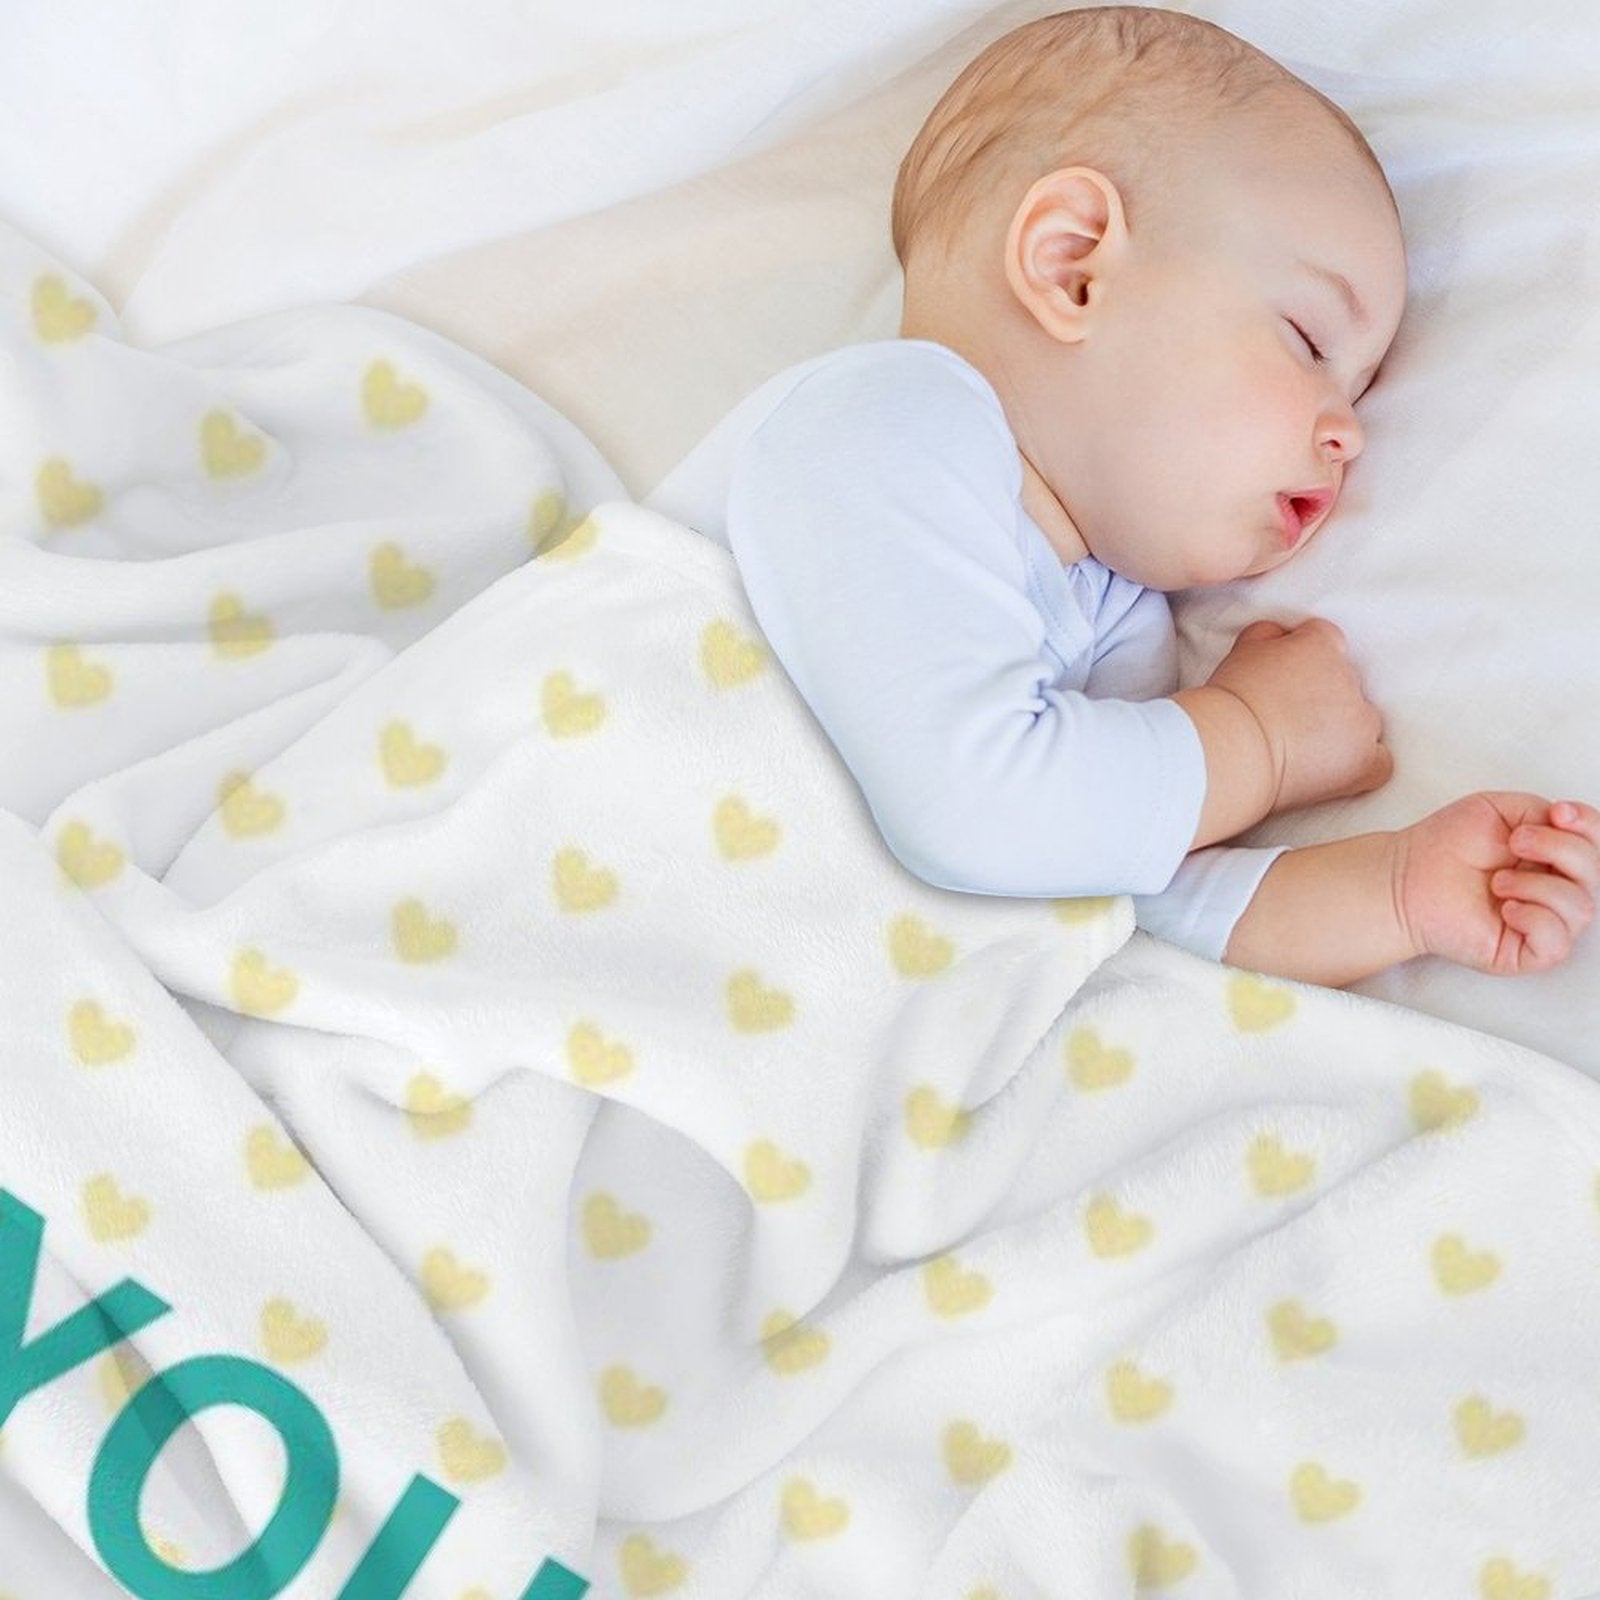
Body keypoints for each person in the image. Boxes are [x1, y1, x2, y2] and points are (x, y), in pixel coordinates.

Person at [643, 5, 1598, 989]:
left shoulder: (1110, 614)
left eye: (1356, 390)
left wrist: (1398, 891)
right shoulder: (878, 422)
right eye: (1309, 343)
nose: (1347, 429)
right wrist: (1255, 740)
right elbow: (978, 809)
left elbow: (1117, 895)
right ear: (1073, 267)